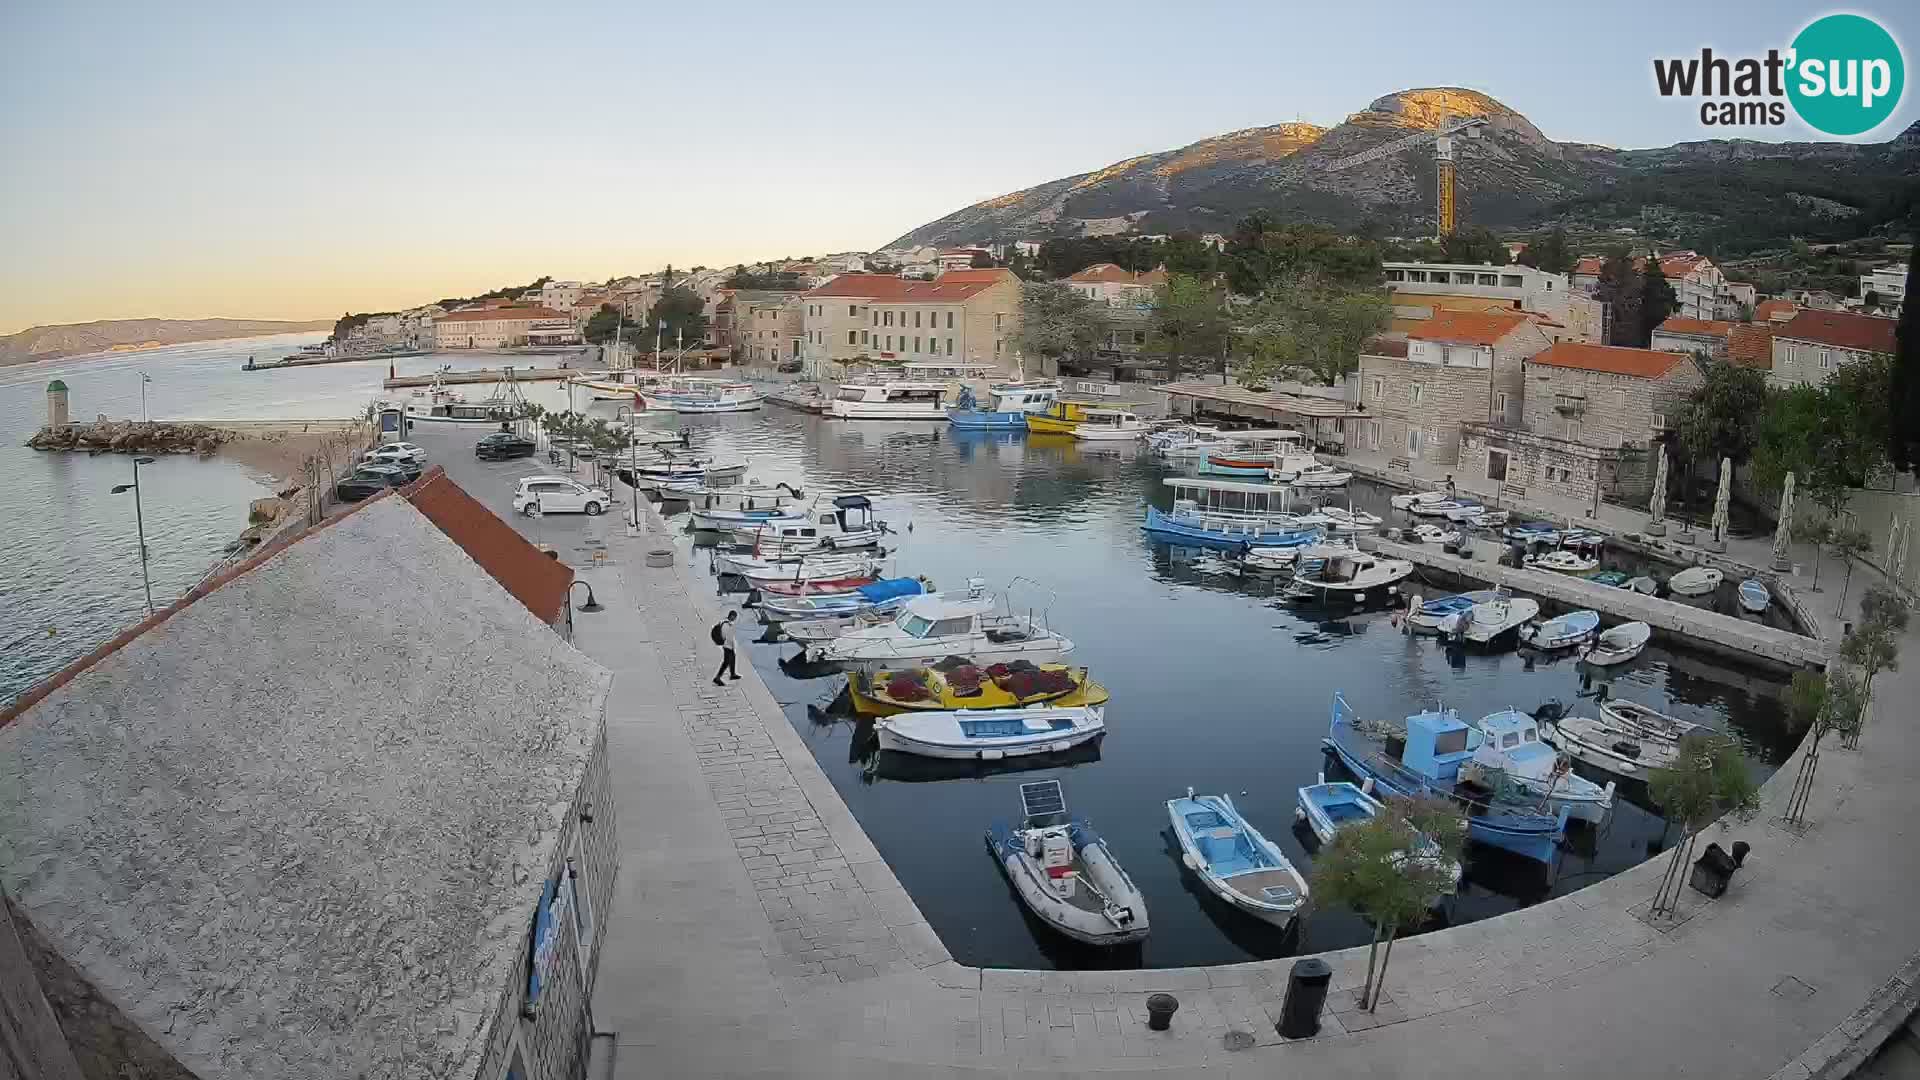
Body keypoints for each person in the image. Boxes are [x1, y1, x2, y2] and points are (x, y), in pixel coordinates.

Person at [712, 609, 740, 685]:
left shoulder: (724, 622)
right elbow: (728, 637)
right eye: (734, 617)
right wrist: (732, 646)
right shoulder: (727, 625)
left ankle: (733, 674)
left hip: (727, 645)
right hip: (727, 646)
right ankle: (717, 678)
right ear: (731, 616)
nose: (735, 619)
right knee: (726, 662)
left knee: (733, 658)